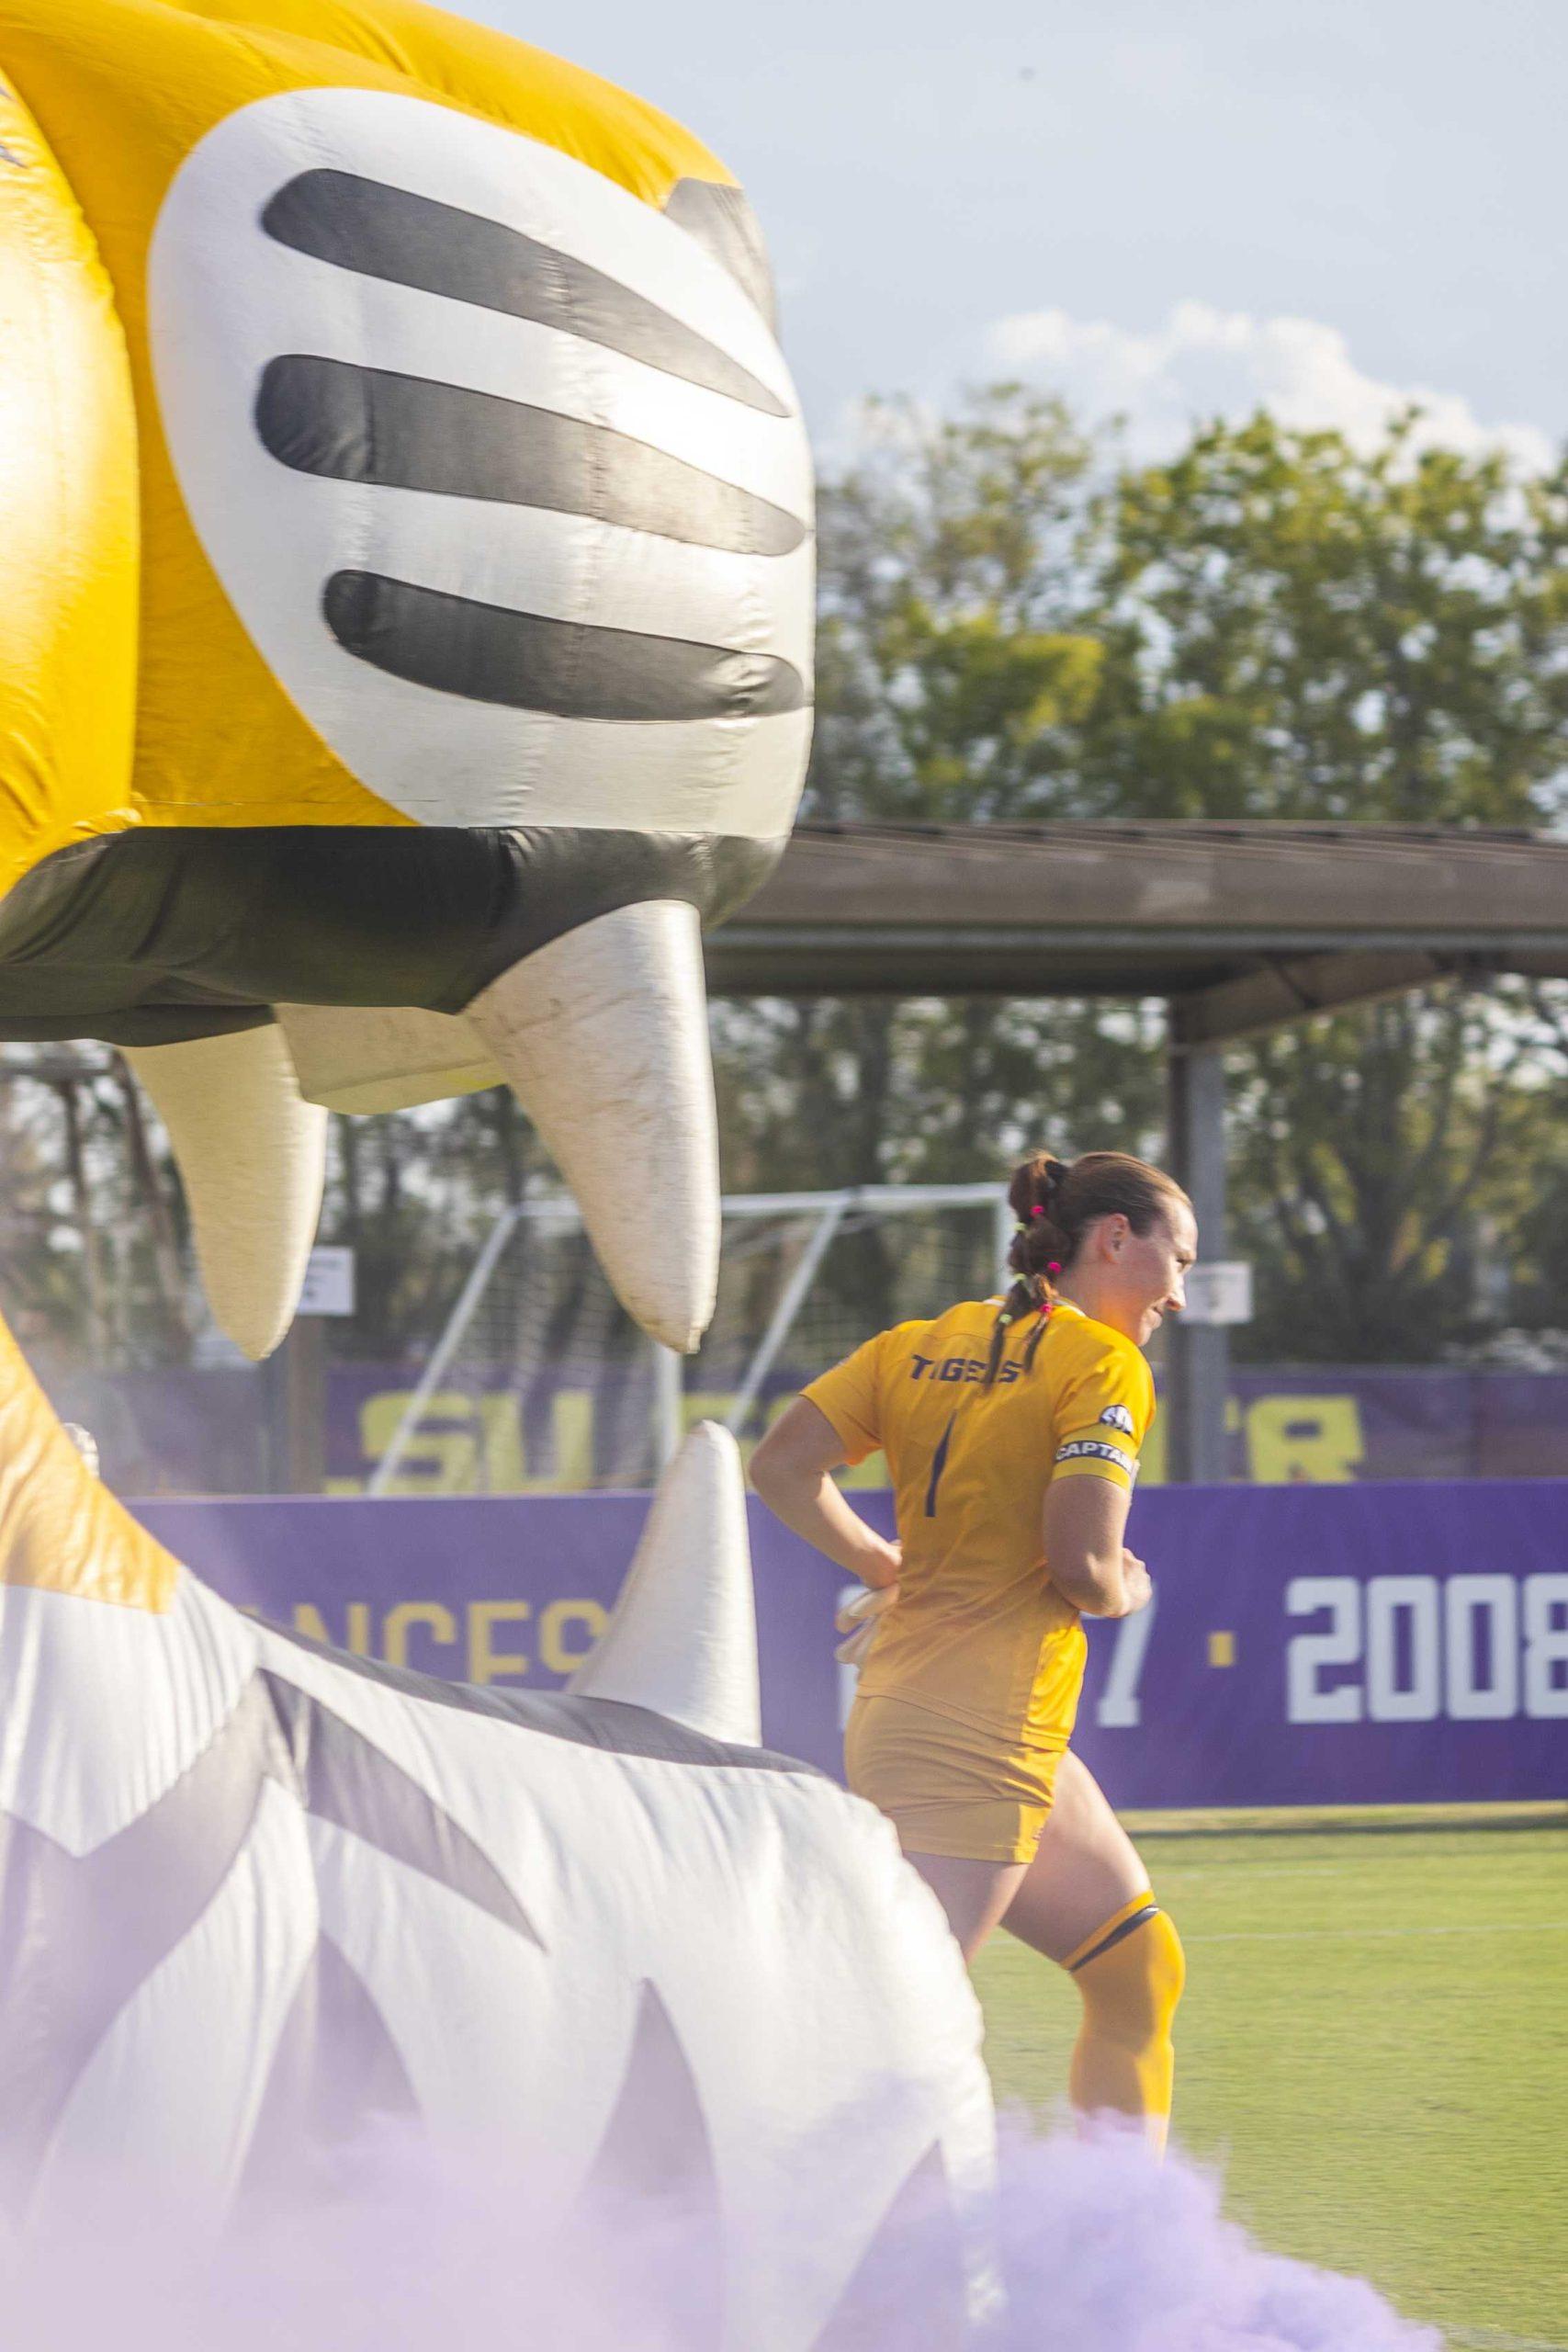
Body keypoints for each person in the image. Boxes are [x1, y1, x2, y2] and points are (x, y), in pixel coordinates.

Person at [750, 1149, 1196, 2151]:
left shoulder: (925, 1339)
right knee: (896, 2034)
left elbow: (780, 1467)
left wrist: (883, 1565)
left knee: (1138, 1969)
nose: (1182, 1291)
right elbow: (1082, 1564)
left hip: (953, 1716)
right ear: (1115, 1239)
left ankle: (1113, 2253)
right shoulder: (1103, 1362)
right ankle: (713, 2235)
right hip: (978, 1737)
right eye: (1182, 1258)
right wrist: (1130, 1585)